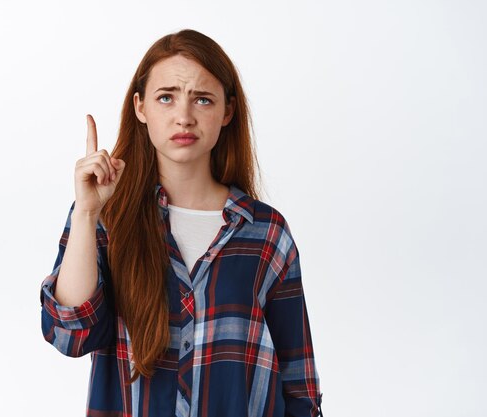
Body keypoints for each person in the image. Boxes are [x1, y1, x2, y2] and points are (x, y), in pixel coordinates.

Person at [39, 28, 324, 417]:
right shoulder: (107, 216)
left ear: (227, 111)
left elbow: (299, 384)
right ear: (141, 107)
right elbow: (70, 336)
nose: (184, 117)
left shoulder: (265, 233)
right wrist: (88, 214)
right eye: (166, 97)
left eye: (202, 99)